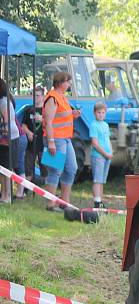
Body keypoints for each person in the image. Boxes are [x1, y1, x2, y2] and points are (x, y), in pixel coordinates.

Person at [41, 71, 81, 210]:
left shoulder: (62, 97)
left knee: (71, 169)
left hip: (65, 138)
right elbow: (49, 122)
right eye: (68, 81)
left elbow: (62, 116)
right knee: (55, 170)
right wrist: (51, 141)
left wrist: (73, 114)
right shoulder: (52, 98)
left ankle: (64, 202)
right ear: (60, 83)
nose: (70, 84)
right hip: (55, 139)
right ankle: (50, 204)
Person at [89, 101, 113, 208]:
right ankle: (97, 201)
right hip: (98, 156)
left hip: (107, 156)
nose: (101, 115)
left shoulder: (106, 125)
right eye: (99, 113)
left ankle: (101, 200)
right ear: (94, 113)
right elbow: (95, 143)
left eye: (103, 113)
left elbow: (107, 140)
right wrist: (105, 154)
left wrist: (110, 152)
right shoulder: (94, 125)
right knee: (97, 179)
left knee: (102, 180)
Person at [0, 78, 20, 204]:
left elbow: (6, 120)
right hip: (8, 136)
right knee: (3, 169)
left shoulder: (3, 102)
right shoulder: (6, 100)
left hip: (8, 137)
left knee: (6, 169)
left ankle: (6, 196)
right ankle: (4, 194)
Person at [20, 85, 44, 189]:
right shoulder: (28, 109)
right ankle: (25, 190)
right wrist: (28, 133)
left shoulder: (47, 109)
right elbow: (23, 125)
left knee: (48, 168)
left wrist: (42, 120)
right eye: (34, 95)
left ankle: (50, 192)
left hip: (45, 143)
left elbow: (53, 124)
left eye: (38, 95)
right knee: (28, 167)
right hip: (31, 143)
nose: (36, 98)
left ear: (43, 96)